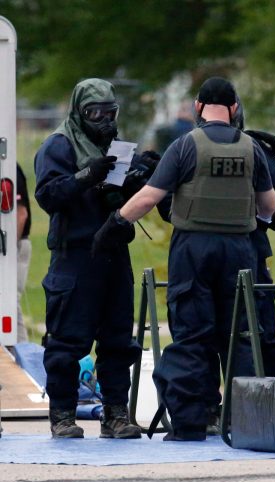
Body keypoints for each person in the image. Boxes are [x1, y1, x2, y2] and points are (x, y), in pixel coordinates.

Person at [93, 77, 275, 441]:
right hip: (240, 251)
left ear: (197, 107)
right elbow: (269, 205)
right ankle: (246, 422)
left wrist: (113, 225)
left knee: (192, 334)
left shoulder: (185, 145)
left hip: (194, 249)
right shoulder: (251, 148)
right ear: (235, 108)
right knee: (240, 336)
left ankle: (193, 422)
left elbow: (148, 197)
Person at [34, 78, 143, 439]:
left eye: (110, 112)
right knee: (66, 341)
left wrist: (139, 177)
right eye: (94, 113)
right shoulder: (58, 146)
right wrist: (85, 175)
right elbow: (48, 195)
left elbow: (125, 199)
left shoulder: (119, 147)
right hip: (74, 257)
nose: (103, 120)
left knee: (117, 341)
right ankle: (62, 415)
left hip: (113, 254)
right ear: (79, 112)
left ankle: (115, 414)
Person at [232, 100, 275, 377]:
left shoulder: (253, 148)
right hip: (205, 248)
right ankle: (208, 411)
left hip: (252, 245)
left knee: (260, 329)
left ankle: (264, 400)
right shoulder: (190, 147)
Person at [15, 164, 31, 343]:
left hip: (16, 244)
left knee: (10, 303)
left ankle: (21, 358)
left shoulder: (10, 168)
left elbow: (21, 214)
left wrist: (9, 252)